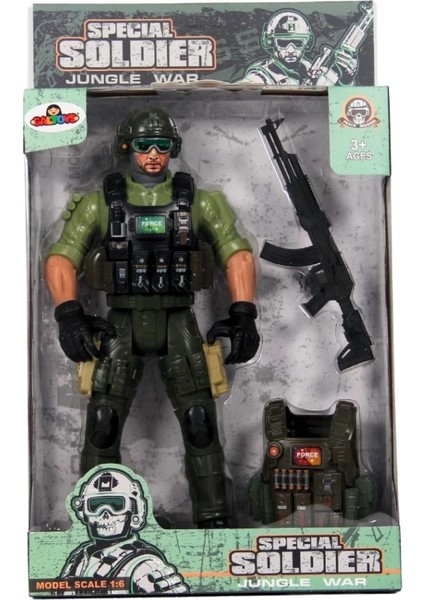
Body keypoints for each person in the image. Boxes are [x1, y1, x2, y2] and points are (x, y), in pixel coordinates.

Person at [45, 107, 260, 528]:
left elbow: (237, 253)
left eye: (163, 145)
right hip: (120, 322)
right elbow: (60, 258)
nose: (153, 154)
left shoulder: (199, 202)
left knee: (199, 421)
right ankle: (94, 521)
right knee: (103, 423)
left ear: (173, 148)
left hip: (178, 320)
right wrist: (69, 314)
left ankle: (214, 519)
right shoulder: (99, 203)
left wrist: (243, 312)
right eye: (144, 145)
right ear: (127, 147)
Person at [62, 468, 188, 593]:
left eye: (116, 504)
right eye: (95, 506)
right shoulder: (80, 558)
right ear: (84, 513)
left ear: (134, 511)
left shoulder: (144, 566)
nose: (105, 514)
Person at [241, 9, 359, 86]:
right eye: (283, 43)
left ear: (307, 43)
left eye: (298, 43)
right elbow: (241, 92)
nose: (291, 50)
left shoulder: (308, 67)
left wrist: (345, 80)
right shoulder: (262, 76)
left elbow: (336, 101)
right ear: (270, 42)